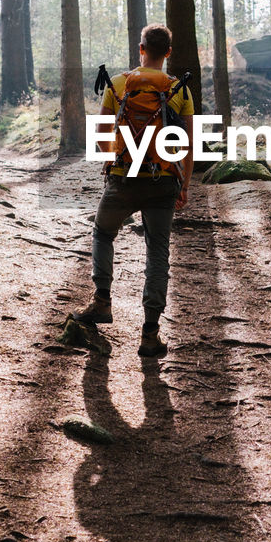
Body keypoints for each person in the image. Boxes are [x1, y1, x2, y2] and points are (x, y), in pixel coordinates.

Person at [74, 23, 194, 358]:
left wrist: (112, 160)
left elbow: (99, 136)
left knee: (102, 232)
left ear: (141, 48)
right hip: (163, 183)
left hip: (123, 179)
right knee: (158, 252)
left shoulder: (118, 83)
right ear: (167, 53)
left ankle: (101, 301)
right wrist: (183, 185)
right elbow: (189, 144)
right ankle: (150, 334)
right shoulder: (180, 90)